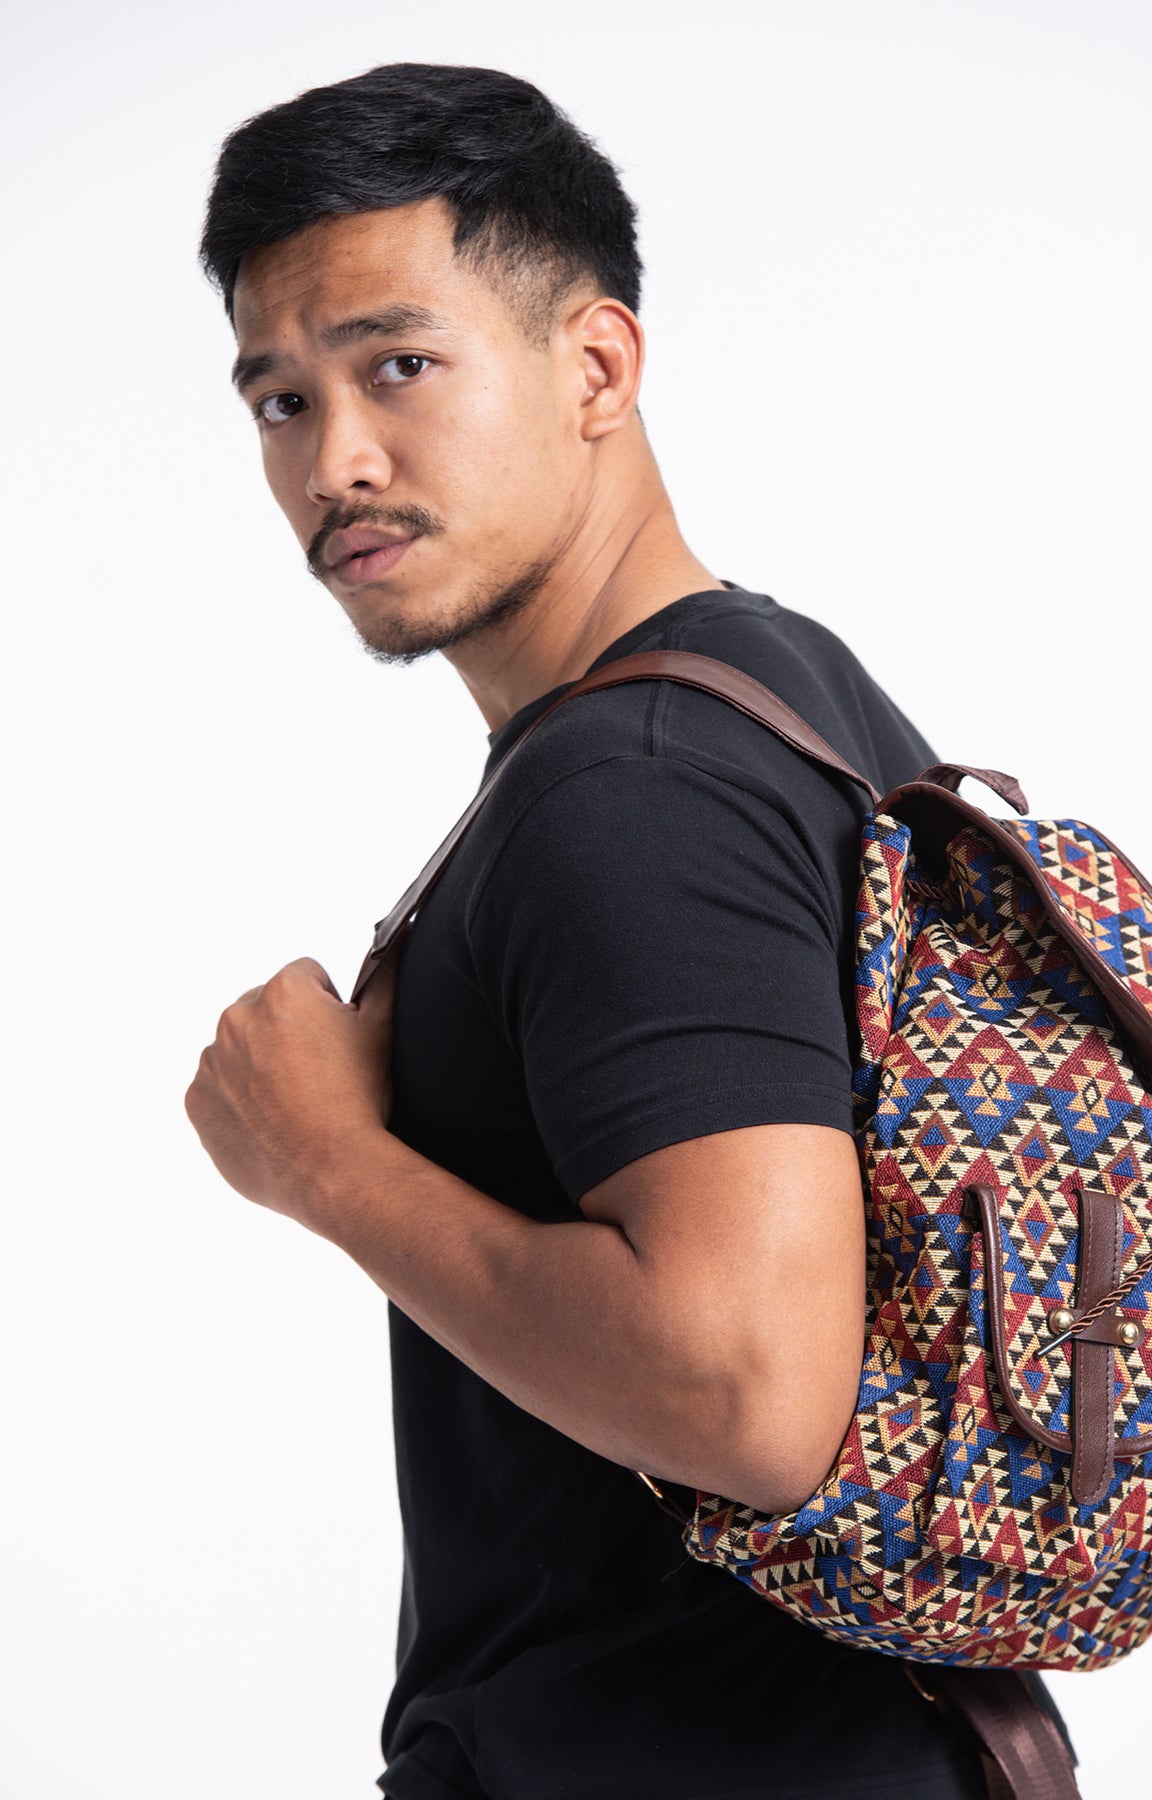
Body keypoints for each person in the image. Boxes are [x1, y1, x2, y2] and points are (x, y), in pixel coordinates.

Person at [186, 62, 1064, 1799]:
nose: (334, 461)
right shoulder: (773, 683)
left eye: (397, 365)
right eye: (280, 399)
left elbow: (746, 1393)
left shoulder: (636, 783)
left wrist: (327, 1169)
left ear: (597, 368)